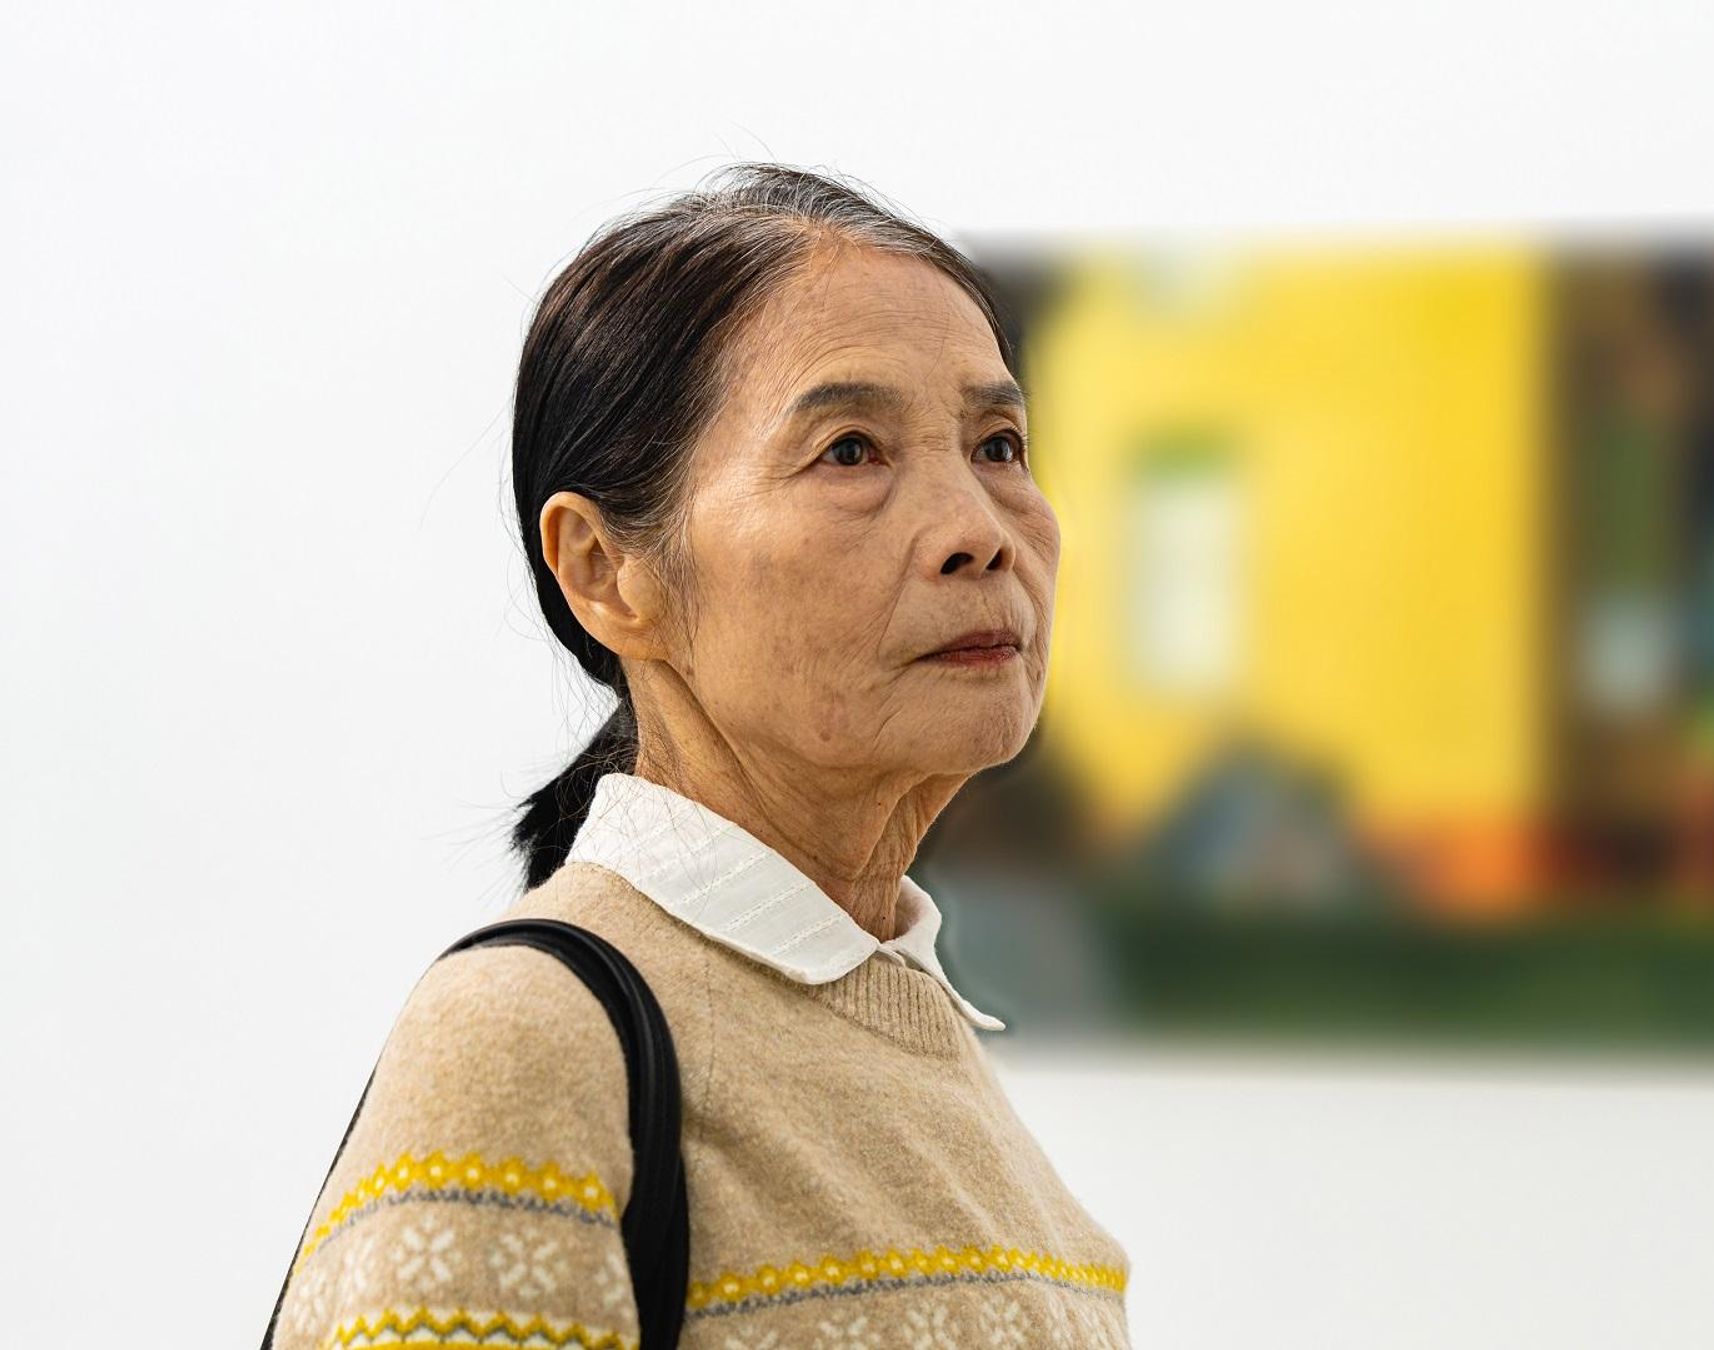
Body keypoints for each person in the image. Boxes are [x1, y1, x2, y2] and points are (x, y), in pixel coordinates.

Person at [265, 163, 1133, 1349]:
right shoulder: (525, 1038)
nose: (981, 534)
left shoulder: (916, 1032)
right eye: (849, 452)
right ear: (604, 573)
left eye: (996, 444)